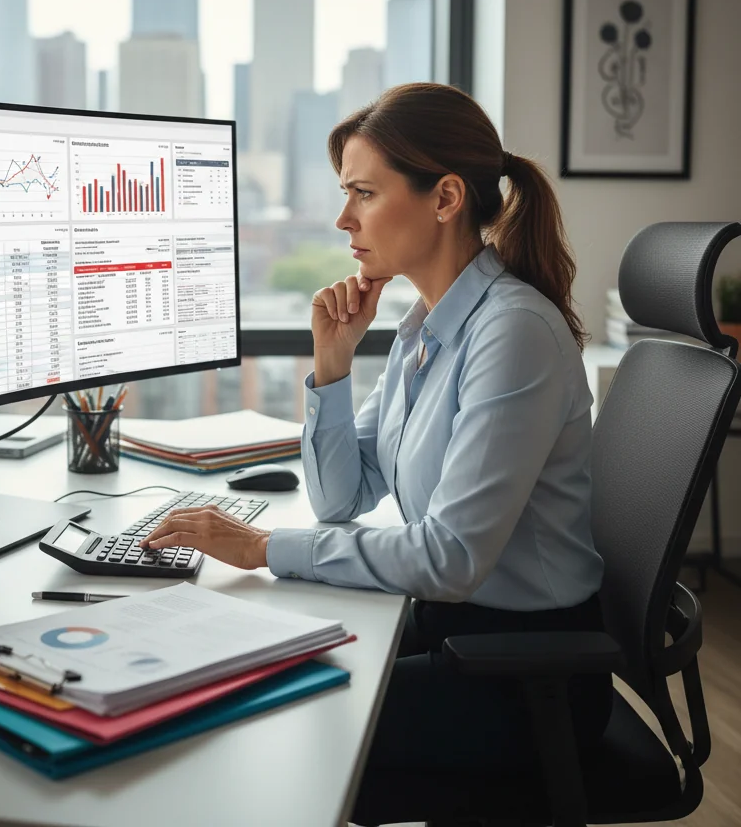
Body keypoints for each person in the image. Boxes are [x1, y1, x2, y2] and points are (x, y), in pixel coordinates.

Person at [139, 82, 612, 797]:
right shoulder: (424, 329)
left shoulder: (513, 333)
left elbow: (449, 558)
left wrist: (262, 547)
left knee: (266, 733)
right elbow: (342, 498)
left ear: (445, 198)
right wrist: (332, 366)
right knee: (245, 677)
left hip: (525, 681)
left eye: (363, 192)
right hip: (452, 635)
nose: (341, 218)